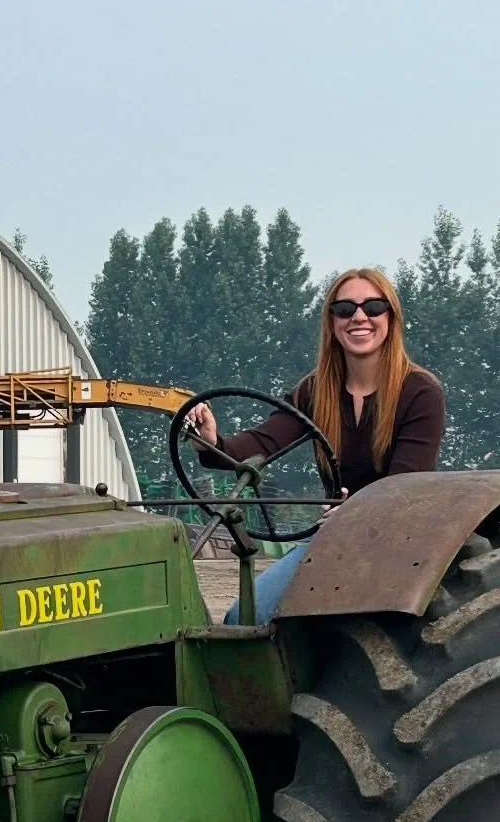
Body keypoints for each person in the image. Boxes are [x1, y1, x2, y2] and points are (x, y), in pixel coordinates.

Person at [187, 267, 444, 623]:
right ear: (331, 322)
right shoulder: (314, 391)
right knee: (244, 618)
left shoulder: (419, 392)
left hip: (400, 541)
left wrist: (359, 511)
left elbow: (407, 483)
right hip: (334, 540)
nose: (359, 317)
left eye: (373, 307)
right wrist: (212, 441)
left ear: (390, 317)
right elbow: (264, 442)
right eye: (344, 309)